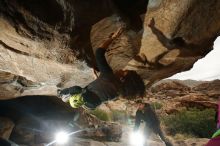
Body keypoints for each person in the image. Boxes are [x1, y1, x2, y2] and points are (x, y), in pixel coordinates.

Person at [57, 28, 145, 110]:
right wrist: (98, 78)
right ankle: (66, 97)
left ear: (122, 79)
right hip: (92, 105)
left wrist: (113, 37)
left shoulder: (108, 75)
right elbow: (103, 90)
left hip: (88, 97)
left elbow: (99, 53)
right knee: (83, 91)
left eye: (124, 72)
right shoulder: (117, 93)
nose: (121, 69)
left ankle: (61, 93)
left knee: (76, 89)